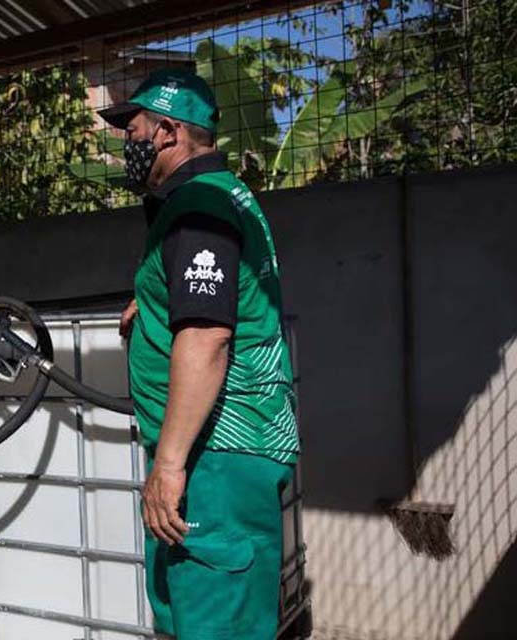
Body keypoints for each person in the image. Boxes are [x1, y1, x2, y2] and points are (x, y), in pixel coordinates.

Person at [100, 69, 300, 639]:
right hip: (215, 451)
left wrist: (169, 465)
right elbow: (210, 299)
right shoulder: (217, 199)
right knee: (192, 612)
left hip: (216, 452)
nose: (126, 145)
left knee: (216, 621)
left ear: (166, 132)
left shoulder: (198, 208)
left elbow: (209, 337)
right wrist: (155, 307)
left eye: (132, 130)